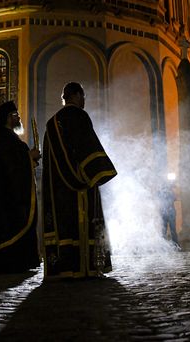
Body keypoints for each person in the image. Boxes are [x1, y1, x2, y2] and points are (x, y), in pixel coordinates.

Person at [41, 82, 117, 280]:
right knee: (85, 224)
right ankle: (88, 267)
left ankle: (65, 269)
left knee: (66, 227)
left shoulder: (51, 124)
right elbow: (89, 147)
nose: (84, 101)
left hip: (59, 190)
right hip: (82, 188)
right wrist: (99, 172)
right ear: (75, 95)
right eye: (83, 96)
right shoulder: (79, 116)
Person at [0, 101, 41, 274]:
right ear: (8, 118)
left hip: (10, 196)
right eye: (16, 115)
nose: (19, 117)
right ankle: (12, 263)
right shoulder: (4, 139)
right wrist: (29, 156)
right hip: (7, 200)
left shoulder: (9, 138)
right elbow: (10, 167)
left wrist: (29, 159)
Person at [159, 182, 180, 248]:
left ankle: (174, 245)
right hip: (166, 213)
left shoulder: (169, 193)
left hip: (169, 213)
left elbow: (175, 198)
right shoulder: (168, 192)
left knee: (169, 230)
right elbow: (175, 198)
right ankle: (172, 245)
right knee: (166, 230)